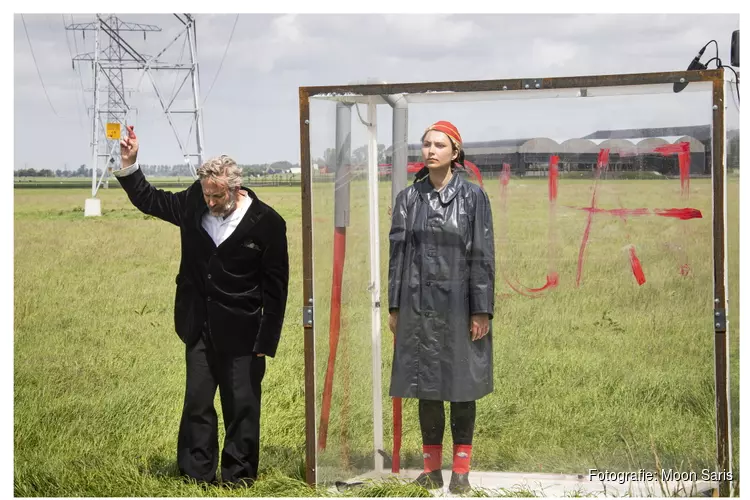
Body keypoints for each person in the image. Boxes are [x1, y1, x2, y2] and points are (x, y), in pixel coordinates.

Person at [115, 125, 289, 487]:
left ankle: (238, 476)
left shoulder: (268, 223)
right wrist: (130, 164)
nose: (210, 202)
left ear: (235, 188)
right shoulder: (195, 201)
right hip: (199, 325)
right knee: (197, 401)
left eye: (216, 196)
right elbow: (151, 200)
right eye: (206, 195)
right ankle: (196, 473)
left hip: (244, 332)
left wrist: (265, 343)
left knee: (242, 406)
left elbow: (276, 289)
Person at [387, 121, 495, 494]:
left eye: (439, 145)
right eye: (426, 144)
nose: (431, 151)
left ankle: (461, 471)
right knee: (425, 386)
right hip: (417, 307)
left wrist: (481, 309)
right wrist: (395, 306)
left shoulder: (473, 198)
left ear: (455, 152)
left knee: (462, 387)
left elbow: (482, 255)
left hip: (460, 306)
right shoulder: (408, 199)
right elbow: (397, 256)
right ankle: (431, 469)